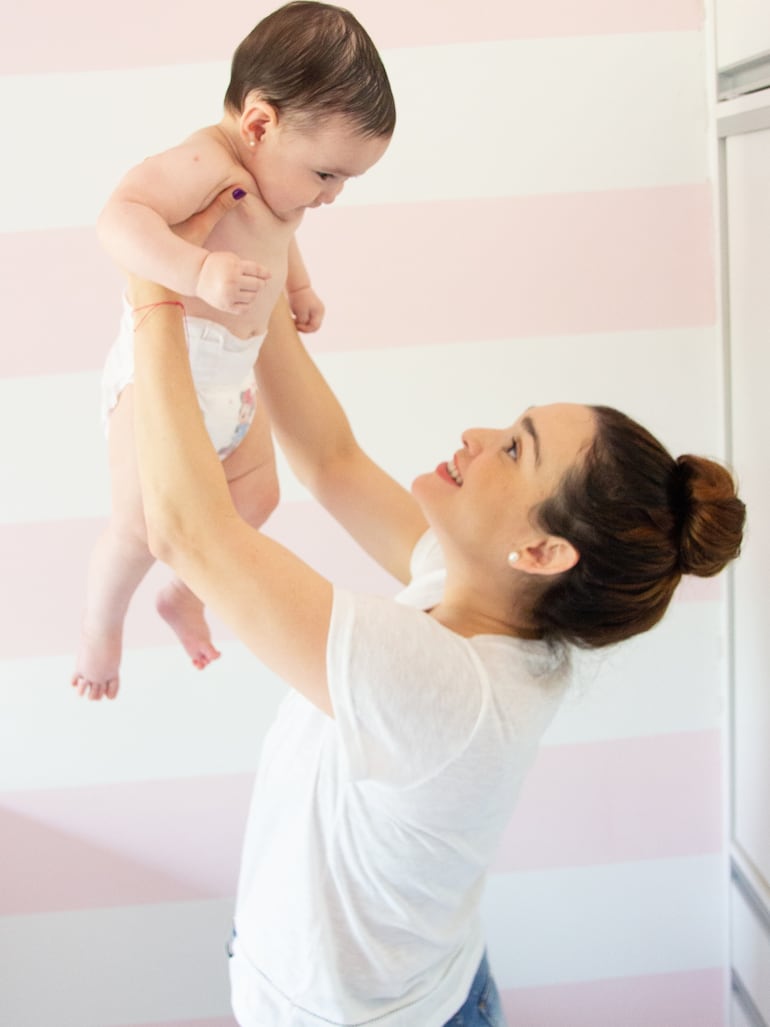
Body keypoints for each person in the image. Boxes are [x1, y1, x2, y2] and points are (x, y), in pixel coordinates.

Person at [125, 189, 745, 1026]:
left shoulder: (447, 690)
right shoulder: (485, 599)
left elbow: (188, 530)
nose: (477, 436)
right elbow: (332, 460)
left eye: (514, 449)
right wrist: (258, 259)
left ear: (541, 552)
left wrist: (152, 288)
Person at [72, 1, 395, 699]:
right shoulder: (204, 162)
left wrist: (298, 287)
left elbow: (280, 236)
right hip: (162, 378)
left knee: (257, 497)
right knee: (140, 524)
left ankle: (184, 594)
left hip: (232, 383)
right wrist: (195, 271)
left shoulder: (279, 189)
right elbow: (118, 219)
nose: (332, 196)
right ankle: (101, 625)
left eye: (345, 180)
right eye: (327, 175)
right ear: (258, 125)